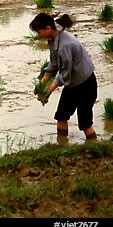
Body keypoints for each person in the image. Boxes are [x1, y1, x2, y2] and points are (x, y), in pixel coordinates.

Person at [29, 12, 98, 140]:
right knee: (61, 116)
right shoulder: (53, 39)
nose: (39, 35)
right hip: (73, 83)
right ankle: (61, 145)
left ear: (48, 28)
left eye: (39, 32)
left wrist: (49, 90)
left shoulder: (65, 45)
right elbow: (54, 63)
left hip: (86, 84)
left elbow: (66, 74)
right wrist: (43, 82)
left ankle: (95, 148)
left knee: (85, 122)